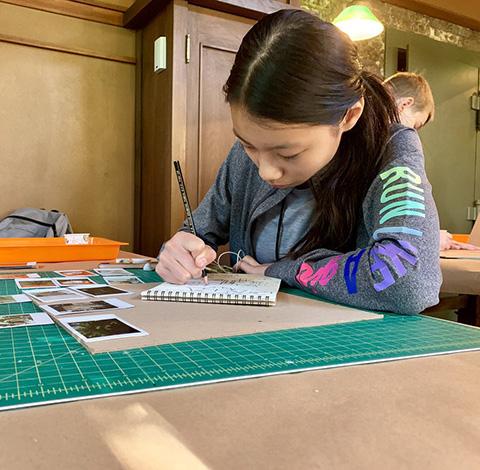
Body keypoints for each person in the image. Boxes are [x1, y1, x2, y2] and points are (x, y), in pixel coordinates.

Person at [156, 9, 441, 314]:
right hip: (251, 329)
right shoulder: (251, 155)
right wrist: (180, 249)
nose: (266, 170)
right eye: (248, 145)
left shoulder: (392, 151)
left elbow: (408, 281)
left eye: (288, 153)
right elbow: (198, 232)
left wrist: (279, 271)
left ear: (349, 116)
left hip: (348, 343)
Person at [384, 72, 478, 250]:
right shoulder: (402, 140)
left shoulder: (354, 131)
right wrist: (430, 238)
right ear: (405, 104)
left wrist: (427, 233)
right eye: (415, 125)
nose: (413, 133)